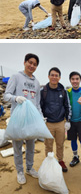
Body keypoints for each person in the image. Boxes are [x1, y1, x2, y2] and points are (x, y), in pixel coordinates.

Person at [3, 53, 42, 185]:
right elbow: (6, 96)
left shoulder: (36, 82)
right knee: (17, 147)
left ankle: (30, 168)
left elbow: (37, 103)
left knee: (31, 146)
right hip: (18, 119)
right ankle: (20, 171)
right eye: (30, 62)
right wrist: (15, 98)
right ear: (24, 62)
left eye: (35, 64)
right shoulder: (16, 77)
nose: (32, 66)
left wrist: (40, 117)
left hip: (31, 120)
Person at [40, 67, 72, 172]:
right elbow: (39, 106)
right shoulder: (43, 91)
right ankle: (48, 163)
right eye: (52, 75)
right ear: (49, 76)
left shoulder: (63, 91)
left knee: (60, 144)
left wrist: (67, 120)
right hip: (48, 123)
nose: (54, 77)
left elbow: (68, 106)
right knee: (48, 144)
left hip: (60, 123)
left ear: (59, 77)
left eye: (56, 75)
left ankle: (60, 161)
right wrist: (41, 119)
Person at [67, 71, 81, 168]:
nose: (75, 81)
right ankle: (75, 157)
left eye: (77, 79)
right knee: (73, 140)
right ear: (70, 80)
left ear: (80, 80)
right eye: (73, 79)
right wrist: (65, 120)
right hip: (71, 121)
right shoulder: (67, 92)